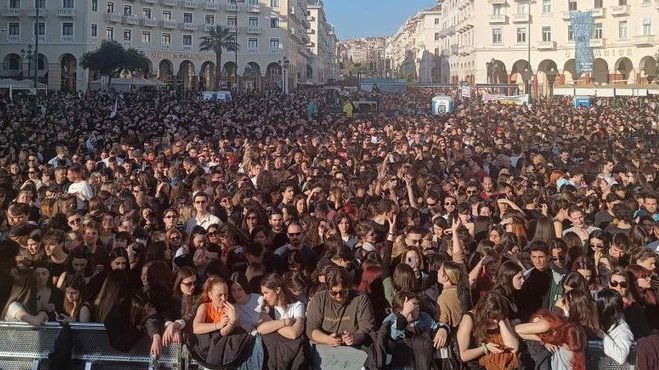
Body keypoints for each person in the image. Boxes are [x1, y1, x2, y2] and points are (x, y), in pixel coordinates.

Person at [306, 266, 375, 368]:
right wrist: (327, 339)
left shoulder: (360, 299)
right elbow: (311, 329)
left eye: (343, 292)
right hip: (325, 349)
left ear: (349, 287)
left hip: (353, 350)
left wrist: (354, 338)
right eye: (334, 293)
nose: (339, 296)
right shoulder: (319, 299)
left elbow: (367, 328)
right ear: (328, 289)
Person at [381, 291, 451, 369]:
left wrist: (443, 329)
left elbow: (436, 325)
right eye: (413, 304)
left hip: (422, 361)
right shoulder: (392, 319)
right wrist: (405, 314)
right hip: (402, 363)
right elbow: (394, 335)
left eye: (417, 303)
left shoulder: (423, 317)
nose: (417, 306)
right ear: (400, 309)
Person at [456, 291, 520, 370]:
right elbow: (463, 355)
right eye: (493, 318)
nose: (496, 321)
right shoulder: (469, 318)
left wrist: (502, 322)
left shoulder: (500, 317)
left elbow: (513, 348)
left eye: (498, 318)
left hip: (502, 364)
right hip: (478, 366)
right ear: (484, 313)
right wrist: (485, 348)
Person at [594, 288, 634, 365]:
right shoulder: (604, 323)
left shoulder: (623, 330)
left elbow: (621, 357)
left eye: (597, 305)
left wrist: (603, 336)